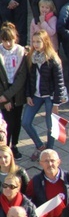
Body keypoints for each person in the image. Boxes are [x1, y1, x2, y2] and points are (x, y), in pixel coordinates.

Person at [22, 30, 66, 162]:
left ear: (45, 42)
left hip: (50, 96)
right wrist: (28, 95)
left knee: (51, 126)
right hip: (36, 95)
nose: (35, 44)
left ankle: (50, 150)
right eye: (34, 41)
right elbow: (30, 78)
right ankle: (40, 146)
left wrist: (56, 104)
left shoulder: (53, 59)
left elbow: (59, 83)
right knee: (26, 122)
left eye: (38, 41)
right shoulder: (31, 57)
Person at [0, 22, 27, 159]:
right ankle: (5, 148)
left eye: (10, 40)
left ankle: (14, 146)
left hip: (17, 94)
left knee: (17, 121)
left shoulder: (20, 52)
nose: (8, 44)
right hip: (4, 96)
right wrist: (5, 99)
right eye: (5, 41)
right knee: (7, 123)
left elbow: (22, 77)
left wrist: (9, 96)